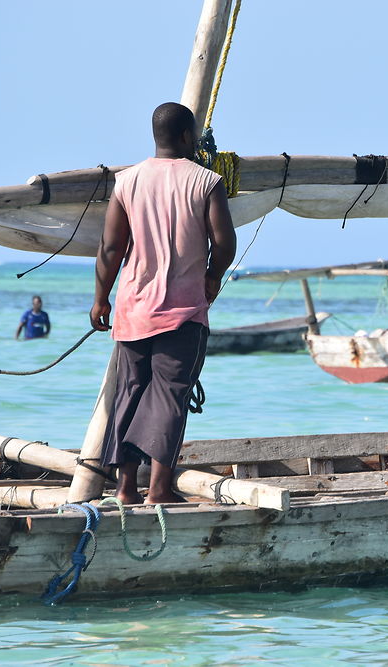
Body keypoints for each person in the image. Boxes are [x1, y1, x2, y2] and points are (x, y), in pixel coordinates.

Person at [91, 102, 237, 505]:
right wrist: (213, 274)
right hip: (183, 312)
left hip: (132, 308)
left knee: (131, 392)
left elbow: (110, 248)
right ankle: (158, 490)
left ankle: (124, 489)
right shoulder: (206, 181)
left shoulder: (127, 181)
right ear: (188, 137)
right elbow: (224, 243)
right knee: (170, 395)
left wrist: (101, 298)